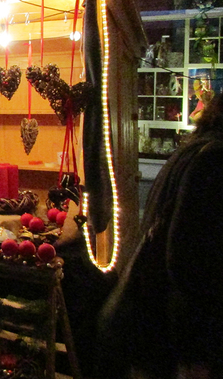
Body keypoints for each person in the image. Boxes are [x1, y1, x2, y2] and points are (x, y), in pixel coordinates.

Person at [98, 93, 223, 379]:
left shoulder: (189, 152)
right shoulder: (213, 159)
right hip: (179, 333)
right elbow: (188, 258)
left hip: (152, 319)